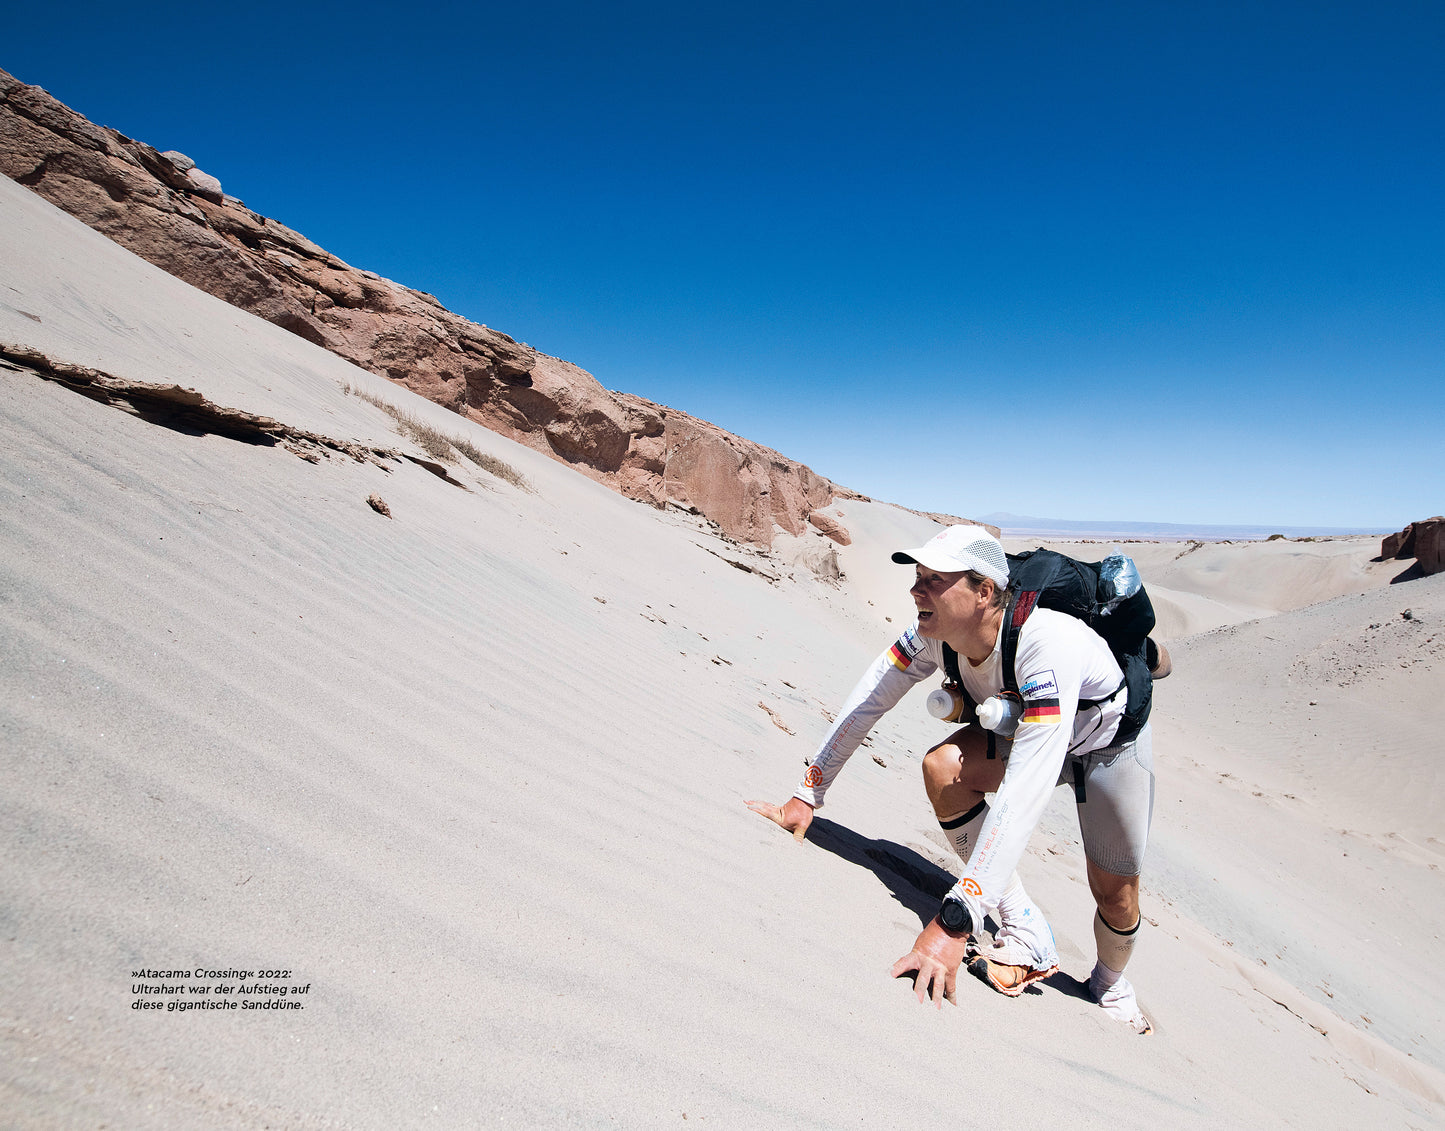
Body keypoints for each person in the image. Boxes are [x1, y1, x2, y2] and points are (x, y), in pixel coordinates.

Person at [746, 525, 1155, 1032]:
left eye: (934, 580)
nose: (916, 590)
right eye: (916, 577)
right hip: (1028, 730)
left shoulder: (1046, 643)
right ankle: (1025, 928)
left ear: (984, 592)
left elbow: (1023, 794)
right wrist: (808, 791)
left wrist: (955, 922)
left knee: (1115, 895)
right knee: (943, 769)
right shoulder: (931, 637)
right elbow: (870, 697)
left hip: (1107, 746)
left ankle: (1110, 983)